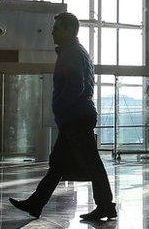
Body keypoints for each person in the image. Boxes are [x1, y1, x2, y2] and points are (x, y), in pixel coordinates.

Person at [9, 12, 117, 221]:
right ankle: (36, 203)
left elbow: (76, 86)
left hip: (75, 117)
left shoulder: (71, 53)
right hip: (77, 115)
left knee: (90, 163)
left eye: (56, 28)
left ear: (68, 30)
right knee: (58, 163)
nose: (52, 32)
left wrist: (59, 107)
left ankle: (105, 205)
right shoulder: (76, 51)